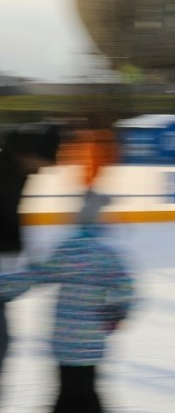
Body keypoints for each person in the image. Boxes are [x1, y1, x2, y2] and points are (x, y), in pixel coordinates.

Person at [0, 190, 134, 412]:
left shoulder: (68, 250)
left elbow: (36, 277)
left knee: (68, 391)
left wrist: (4, 286)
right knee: (85, 390)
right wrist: (115, 317)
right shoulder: (107, 255)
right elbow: (125, 289)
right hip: (92, 339)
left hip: (63, 338)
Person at [0, 123, 60, 391]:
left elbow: (10, 216)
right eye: (42, 162)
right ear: (28, 153)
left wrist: (22, 248)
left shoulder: (17, 171)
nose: (42, 170)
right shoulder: (5, 173)